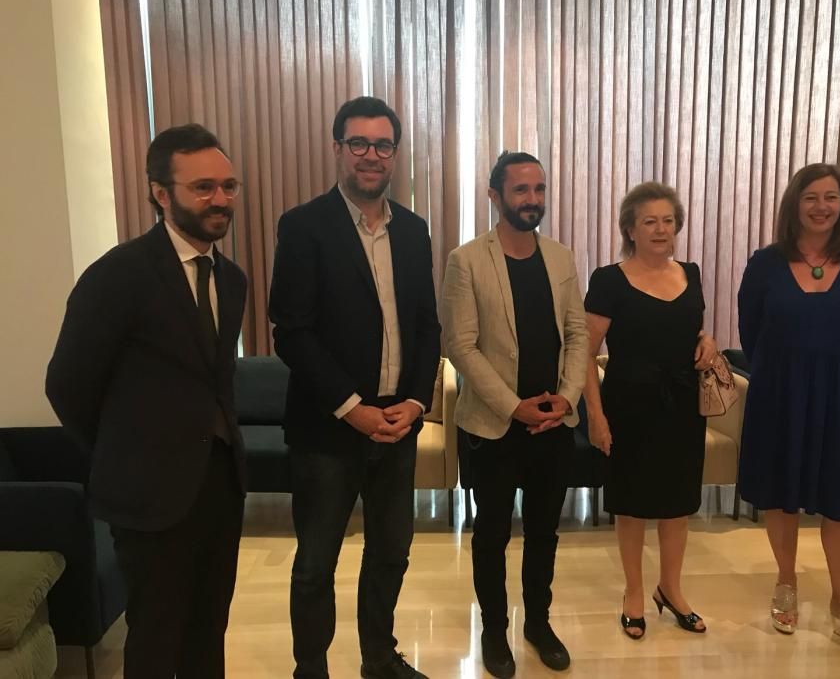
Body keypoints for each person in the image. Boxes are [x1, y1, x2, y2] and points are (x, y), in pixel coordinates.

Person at [46, 124, 248, 678]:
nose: (221, 200)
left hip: (219, 485)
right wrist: (124, 452)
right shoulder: (117, 275)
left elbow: (214, 380)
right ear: (162, 193)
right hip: (146, 496)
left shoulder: (231, 279)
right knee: (157, 637)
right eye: (203, 187)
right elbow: (66, 385)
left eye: (229, 186)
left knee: (209, 628)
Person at [268, 96, 440, 679]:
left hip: (399, 423)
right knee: (316, 562)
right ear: (338, 148)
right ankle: (310, 668)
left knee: (391, 553)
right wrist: (352, 408)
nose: (372, 155)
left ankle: (378, 659)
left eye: (383, 144)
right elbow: (291, 332)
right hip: (328, 427)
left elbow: (426, 326)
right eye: (359, 143)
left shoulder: (414, 230)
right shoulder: (302, 226)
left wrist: (416, 403)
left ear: (395, 154)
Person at [441, 151, 587, 678]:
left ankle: (539, 624)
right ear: (495, 195)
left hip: (553, 421)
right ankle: (495, 631)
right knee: (491, 536)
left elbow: (577, 334)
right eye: (521, 190)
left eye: (540, 189)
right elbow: (460, 345)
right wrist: (514, 406)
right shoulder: (466, 260)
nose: (533, 200)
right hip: (493, 426)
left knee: (545, 532)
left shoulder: (562, 257)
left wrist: (567, 398)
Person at [737, 163, 840, 659]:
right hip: (777, 394)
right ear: (794, 204)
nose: (821, 206)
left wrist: (830, 374)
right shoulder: (765, 263)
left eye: (831, 197)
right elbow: (750, 331)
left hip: (839, 397)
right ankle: (786, 582)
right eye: (811, 197)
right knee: (781, 495)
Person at [582, 182, 718, 641]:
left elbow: (694, 330)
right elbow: (584, 353)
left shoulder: (692, 274)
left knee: (678, 505)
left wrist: (708, 341)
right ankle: (635, 592)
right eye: (649, 221)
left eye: (668, 220)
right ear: (630, 229)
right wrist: (596, 418)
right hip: (628, 405)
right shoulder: (608, 280)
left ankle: (672, 590)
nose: (661, 229)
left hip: (682, 406)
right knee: (633, 505)